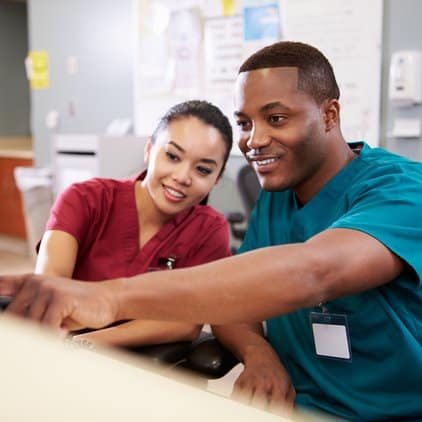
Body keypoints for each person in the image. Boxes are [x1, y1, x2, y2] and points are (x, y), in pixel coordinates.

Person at [1, 41, 422, 421]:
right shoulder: (278, 196)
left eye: (275, 118)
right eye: (244, 123)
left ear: (329, 114)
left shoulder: (402, 190)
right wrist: (258, 353)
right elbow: (238, 298)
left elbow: (315, 271)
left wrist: (109, 297)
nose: (254, 140)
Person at [33, 99, 233, 348]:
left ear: (216, 179)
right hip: (60, 349)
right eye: (172, 156)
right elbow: (49, 289)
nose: (182, 177)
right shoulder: (85, 200)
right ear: (149, 150)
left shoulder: (209, 231)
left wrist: (87, 345)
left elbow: (185, 323)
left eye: (203, 170)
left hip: (142, 368)